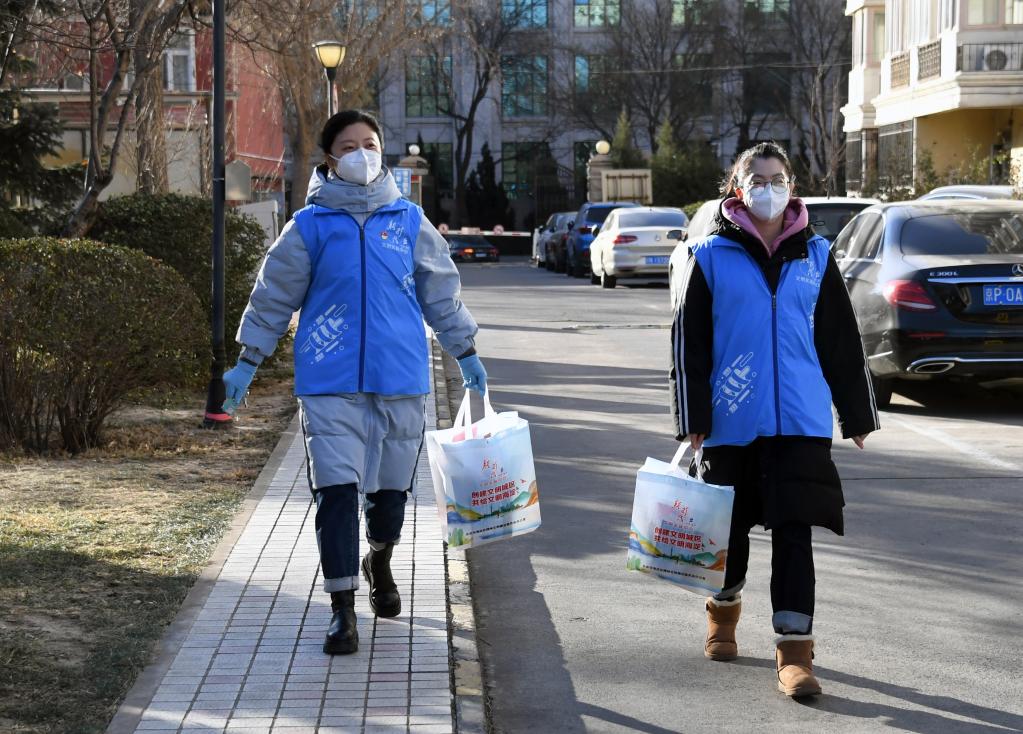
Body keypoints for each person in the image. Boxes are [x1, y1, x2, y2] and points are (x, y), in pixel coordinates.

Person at [221, 109, 487, 656]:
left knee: (390, 492)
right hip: (328, 379)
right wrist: (248, 360)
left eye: (370, 143)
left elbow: (440, 292)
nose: (361, 152)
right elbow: (274, 295)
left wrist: (465, 351)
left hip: (400, 375)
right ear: (330, 159)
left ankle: (379, 559)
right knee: (336, 491)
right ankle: (342, 609)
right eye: (348, 145)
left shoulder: (409, 221)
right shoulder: (310, 227)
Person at [670, 142, 879, 698]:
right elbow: (689, 345)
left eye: (777, 178)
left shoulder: (816, 256)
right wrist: (693, 416)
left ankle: (794, 651)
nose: (768, 188)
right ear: (736, 188)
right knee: (729, 534)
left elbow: (840, 339)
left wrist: (855, 413)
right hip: (730, 422)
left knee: (794, 532)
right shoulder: (709, 255)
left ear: (792, 186)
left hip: (800, 422)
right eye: (757, 179)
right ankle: (723, 609)